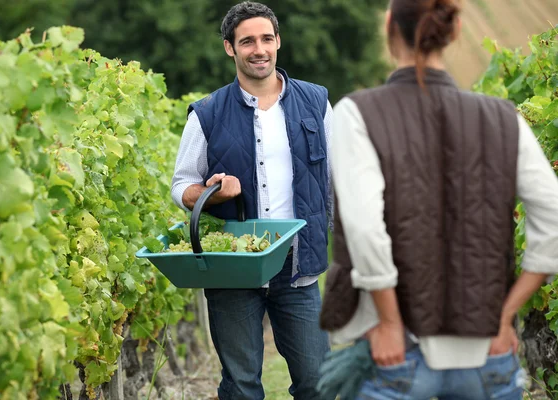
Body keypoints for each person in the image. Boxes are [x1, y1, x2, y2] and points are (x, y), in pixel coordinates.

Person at [324, 0, 558, 398]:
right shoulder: (504, 118)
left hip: (396, 353)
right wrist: (505, 316)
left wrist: (391, 323)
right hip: (488, 349)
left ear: (388, 26)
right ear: (456, 29)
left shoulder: (356, 113)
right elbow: (553, 217)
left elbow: (366, 229)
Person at [171, 2, 333, 399]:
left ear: (278, 42)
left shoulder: (316, 102)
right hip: (234, 270)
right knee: (241, 387)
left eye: (265, 39)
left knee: (318, 382)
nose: (258, 49)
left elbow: (334, 181)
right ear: (230, 48)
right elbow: (181, 187)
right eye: (247, 41)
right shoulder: (206, 114)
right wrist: (211, 193)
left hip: (298, 268)